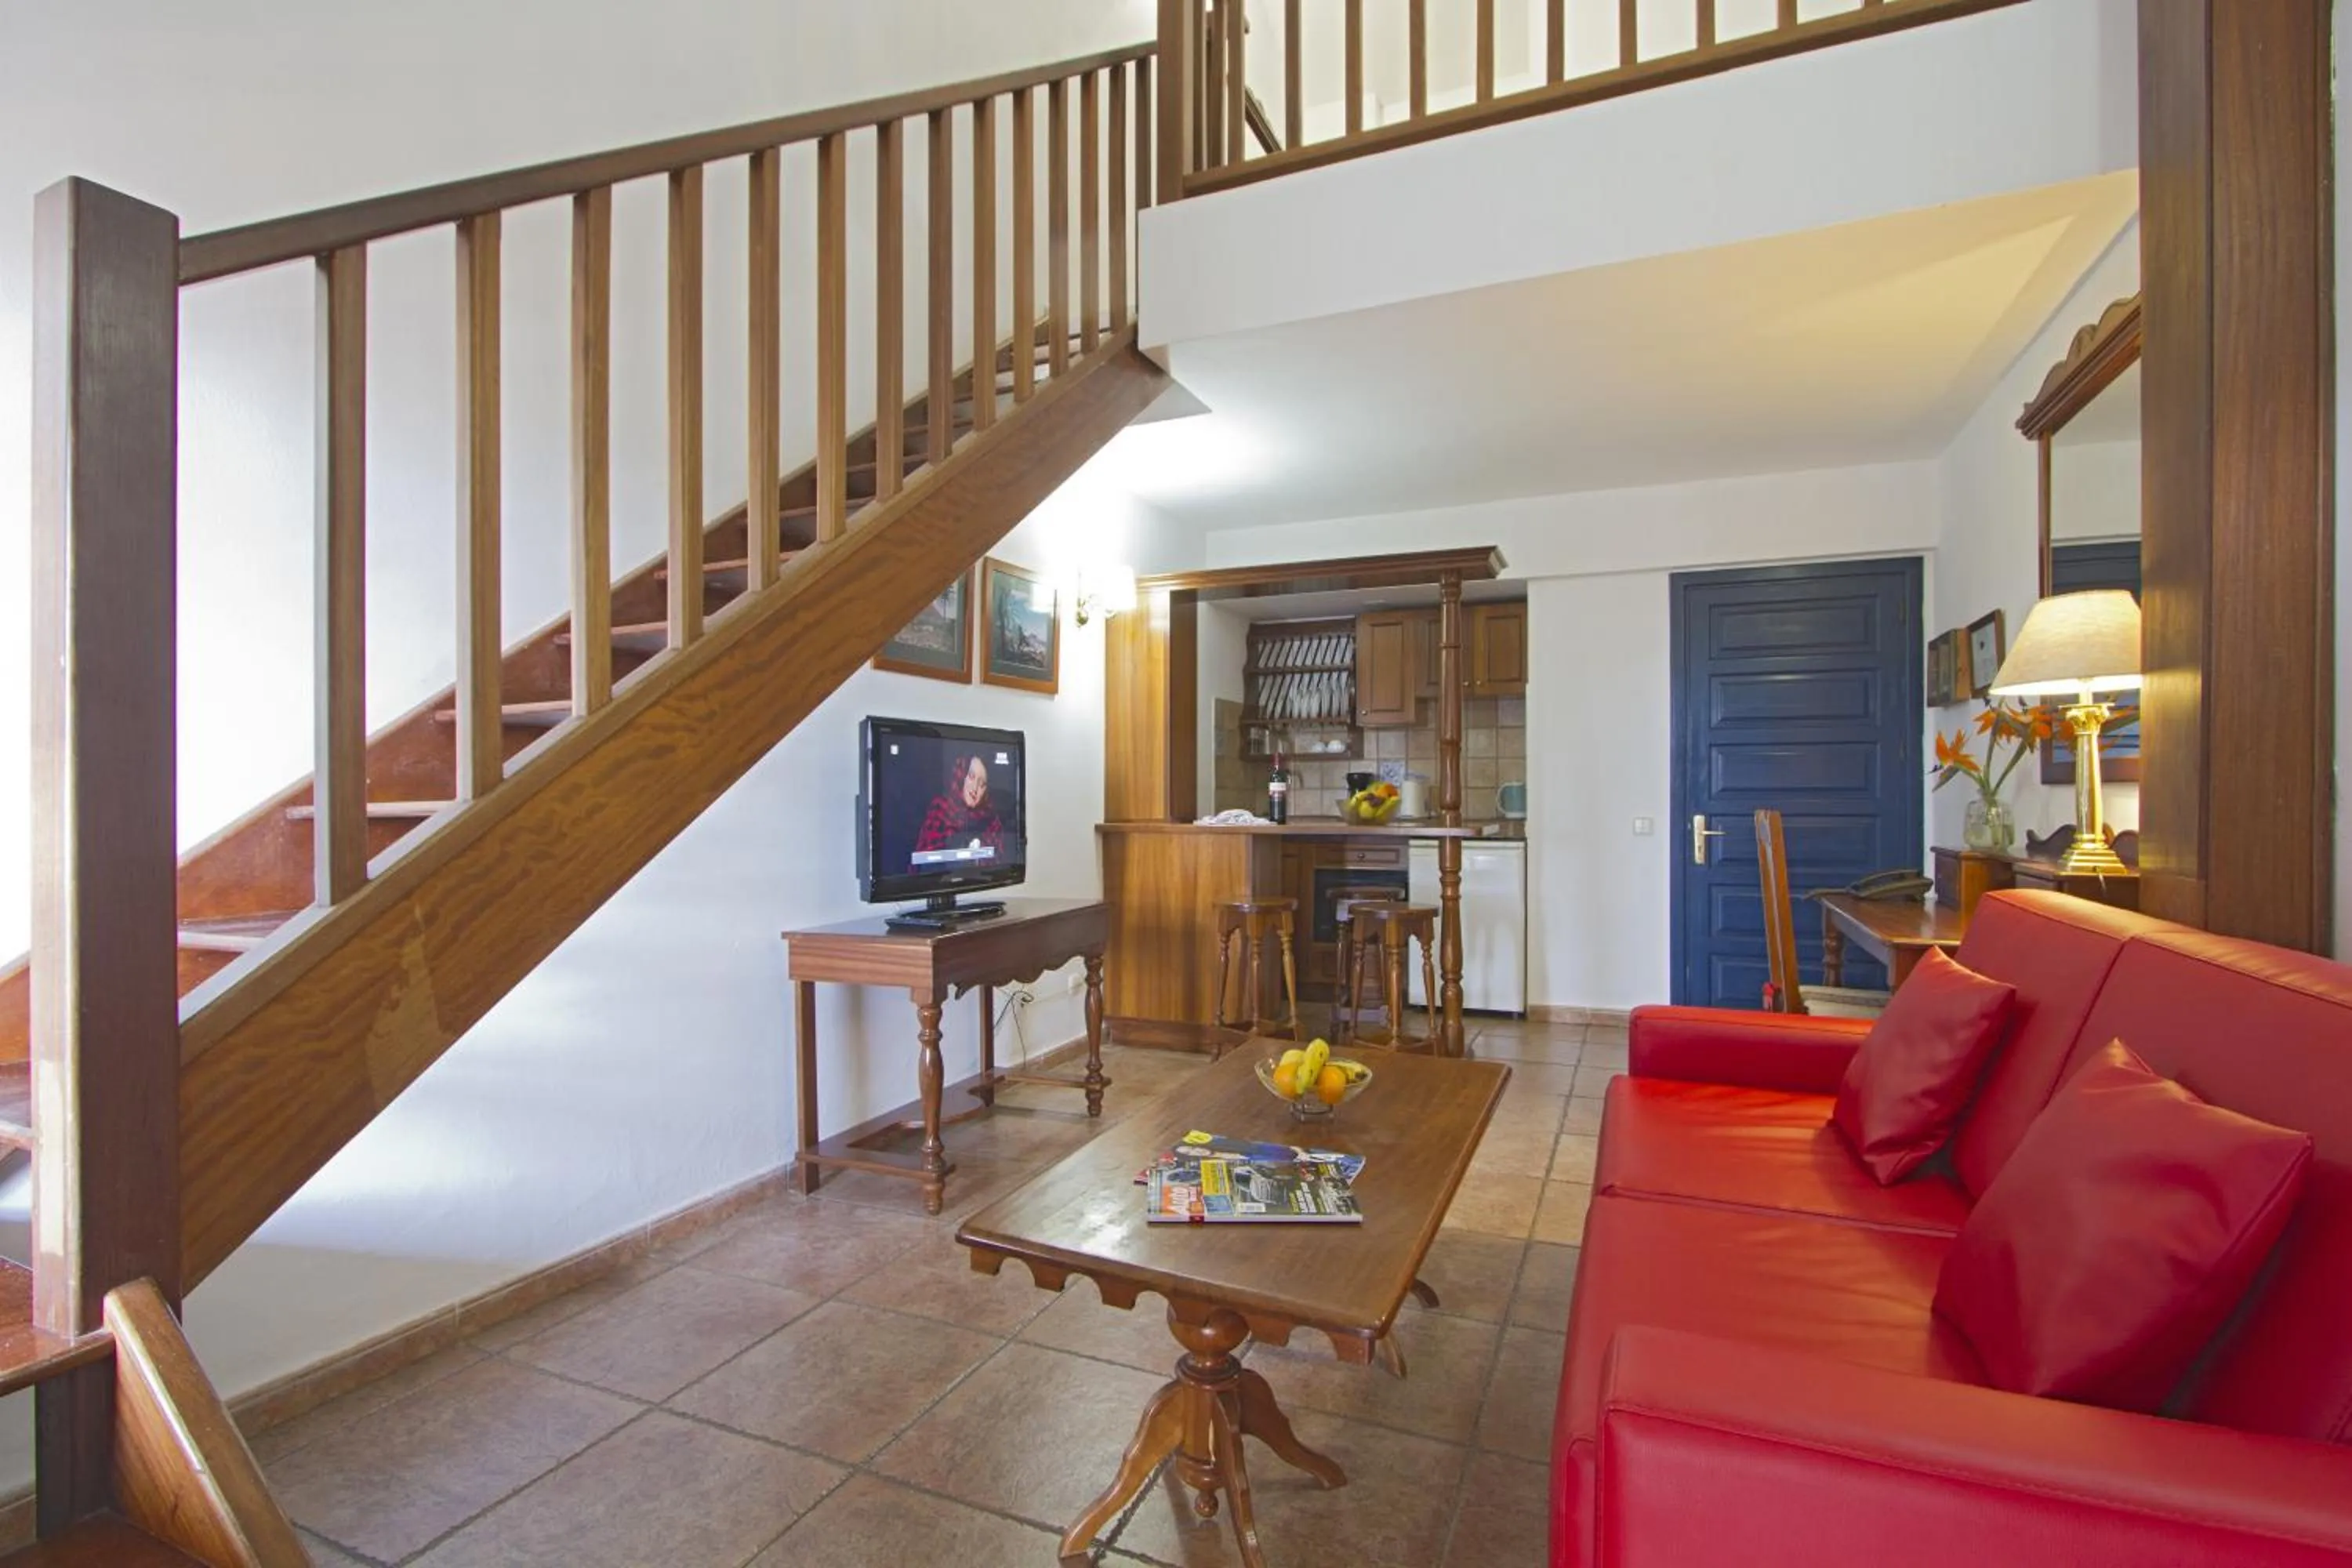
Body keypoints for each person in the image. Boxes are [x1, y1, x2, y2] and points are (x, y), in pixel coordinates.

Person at [914, 753, 1007, 860]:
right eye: (972, 777)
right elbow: (924, 862)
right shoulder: (940, 809)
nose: (975, 788)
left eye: (982, 784)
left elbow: (995, 867)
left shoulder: (993, 823)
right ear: (961, 776)